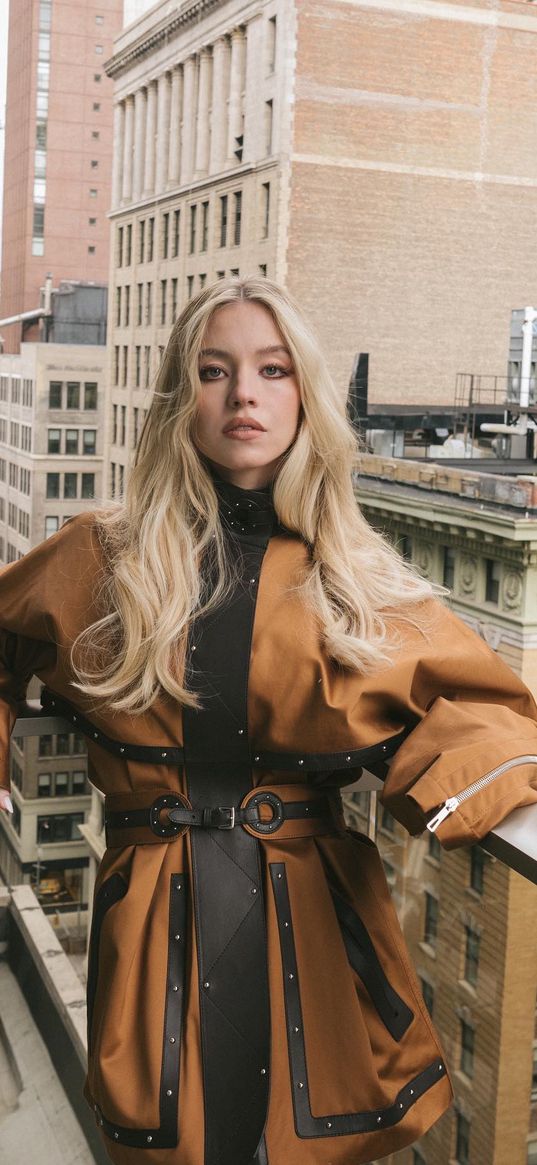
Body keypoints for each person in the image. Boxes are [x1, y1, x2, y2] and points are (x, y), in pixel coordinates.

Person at [0, 275, 536, 1165]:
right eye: (213, 370)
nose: (243, 393)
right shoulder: (103, 556)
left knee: (300, 1137)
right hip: (152, 920)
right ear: (181, 398)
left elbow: (488, 710)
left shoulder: (352, 578)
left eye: (272, 370)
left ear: (303, 397)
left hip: (313, 923)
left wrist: (433, 776)